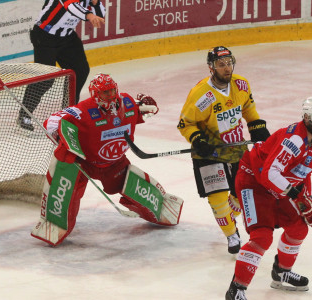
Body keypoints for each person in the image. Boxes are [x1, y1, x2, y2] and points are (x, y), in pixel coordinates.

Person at [31, 73, 184, 246]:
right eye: (105, 93)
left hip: (114, 164)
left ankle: (161, 206)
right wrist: (60, 135)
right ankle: (53, 222)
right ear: (95, 94)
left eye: (112, 90)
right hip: (83, 164)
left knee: (135, 187)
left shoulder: (126, 103)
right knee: (66, 191)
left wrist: (150, 108)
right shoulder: (82, 111)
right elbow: (52, 121)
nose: (110, 96)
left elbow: (142, 113)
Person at [225, 96, 312, 300]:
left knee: (298, 227)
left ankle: (281, 272)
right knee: (261, 237)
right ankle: (236, 289)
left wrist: (307, 201)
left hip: (279, 184)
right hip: (253, 181)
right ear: (307, 117)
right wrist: (295, 194)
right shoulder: (293, 141)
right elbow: (269, 173)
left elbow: (303, 174)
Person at [177, 46, 270, 254]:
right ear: (211, 68)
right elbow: (185, 124)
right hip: (208, 152)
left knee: (240, 195)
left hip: (236, 148)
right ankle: (231, 234)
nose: (227, 68)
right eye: (221, 64)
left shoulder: (241, 84)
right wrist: (198, 139)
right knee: (218, 198)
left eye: (229, 63)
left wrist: (257, 127)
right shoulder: (201, 95)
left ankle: (228, 218)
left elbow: (248, 110)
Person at [18, 0, 106, 131]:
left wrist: (95, 2)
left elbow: (100, 16)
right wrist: (89, 15)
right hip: (44, 36)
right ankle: (24, 115)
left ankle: (68, 112)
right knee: (45, 80)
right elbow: (71, 6)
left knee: (80, 71)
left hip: (67, 37)